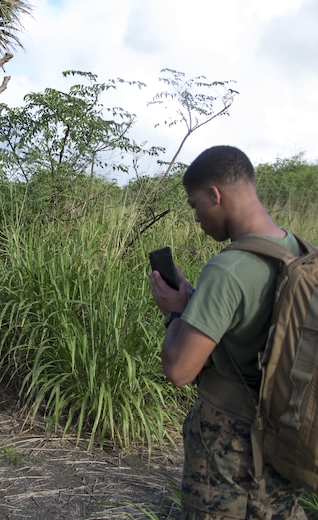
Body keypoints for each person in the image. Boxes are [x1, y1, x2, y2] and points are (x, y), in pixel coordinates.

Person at [148, 145, 306, 519]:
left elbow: (180, 370)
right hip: (282, 435)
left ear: (215, 195)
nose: (197, 217)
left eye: (195, 204)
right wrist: (194, 308)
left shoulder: (229, 268)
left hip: (228, 448)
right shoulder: (298, 250)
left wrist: (175, 314)